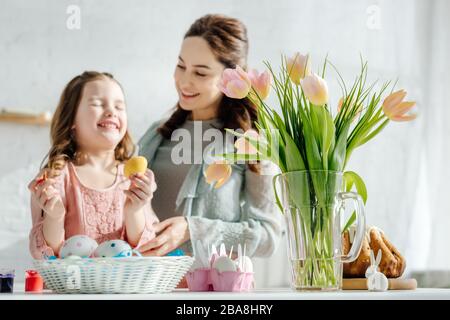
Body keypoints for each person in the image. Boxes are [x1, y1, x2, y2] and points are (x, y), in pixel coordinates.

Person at [137, 14, 283, 258]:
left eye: (201, 73)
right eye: (181, 66)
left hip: (213, 288)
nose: (184, 81)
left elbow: (268, 236)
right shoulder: (155, 135)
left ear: (231, 76)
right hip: (151, 286)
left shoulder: (251, 143)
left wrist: (193, 229)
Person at [28, 71, 158, 259]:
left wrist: (135, 210)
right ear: (72, 120)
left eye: (119, 106)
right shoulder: (56, 177)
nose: (112, 111)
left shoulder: (134, 178)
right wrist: (55, 216)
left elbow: (146, 250)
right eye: (98, 104)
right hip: (72, 287)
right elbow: (47, 257)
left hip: (123, 287)